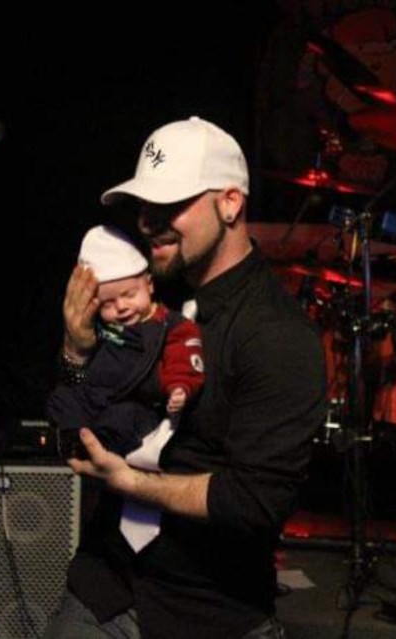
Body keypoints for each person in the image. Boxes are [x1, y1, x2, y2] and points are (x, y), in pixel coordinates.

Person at [45, 116, 327, 639]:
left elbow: (254, 502)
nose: (149, 221)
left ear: (230, 203)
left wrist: (129, 482)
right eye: (144, 207)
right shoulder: (142, 295)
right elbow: (79, 418)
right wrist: (74, 352)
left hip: (209, 613)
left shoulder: (277, 336)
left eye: (170, 205)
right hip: (102, 591)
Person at [48, 224, 205, 457]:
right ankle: (74, 445)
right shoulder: (98, 328)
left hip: (136, 403)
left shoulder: (169, 324)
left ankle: (99, 448)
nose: (121, 307)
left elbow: (183, 358)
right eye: (107, 304)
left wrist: (179, 387)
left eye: (129, 295)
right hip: (97, 396)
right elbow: (78, 375)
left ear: (149, 284)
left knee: (124, 417)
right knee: (60, 401)